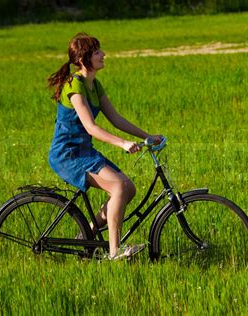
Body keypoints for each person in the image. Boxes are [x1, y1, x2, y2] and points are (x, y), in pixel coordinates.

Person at [47, 33, 162, 260]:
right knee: (118, 188)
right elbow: (90, 127)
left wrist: (147, 136)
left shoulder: (94, 85)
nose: (103, 54)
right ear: (83, 59)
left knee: (128, 189)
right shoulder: (74, 85)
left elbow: (115, 118)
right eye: (97, 51)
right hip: (68, 155)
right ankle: (115, 251)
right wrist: (122, 143)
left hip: (84, 152)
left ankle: (88, 233)